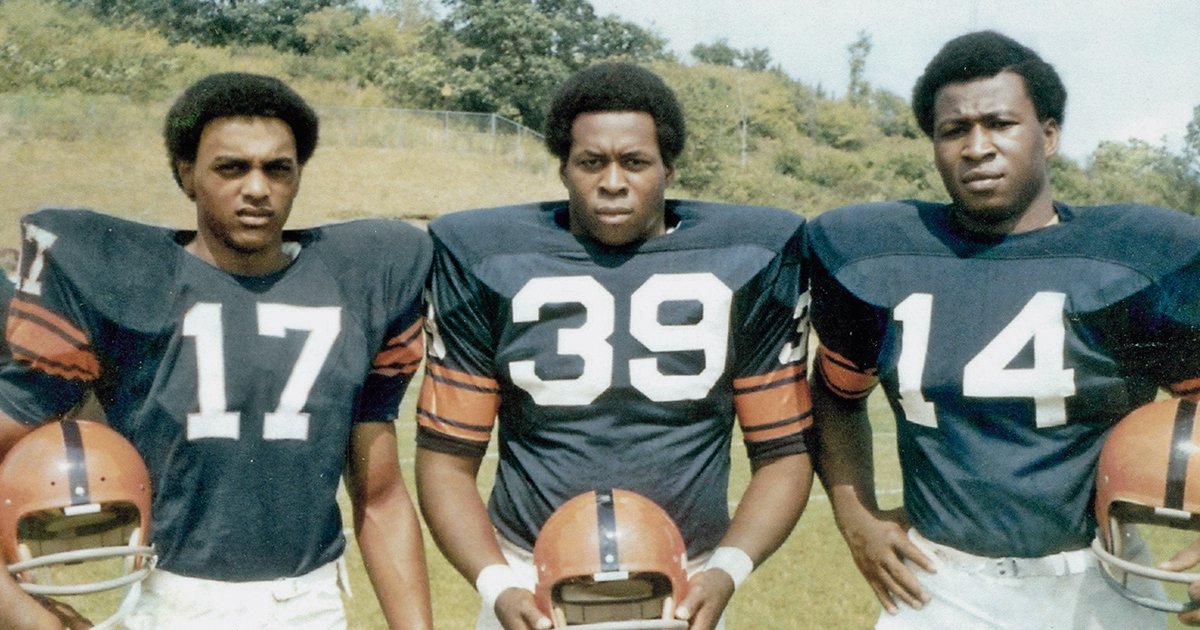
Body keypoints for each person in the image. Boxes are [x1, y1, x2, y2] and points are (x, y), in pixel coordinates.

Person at [0, 71, 434, 629]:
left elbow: (379, 494)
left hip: (311, 605)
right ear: (187, 175)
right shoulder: (127, 279)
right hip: (168, 601)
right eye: (232, 167)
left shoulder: (363, 278)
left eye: (278, 168)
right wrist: (25, 616)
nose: (257, 188)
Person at [806, 30, 1200, 629]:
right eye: (954, 130)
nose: (977, 147)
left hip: (1097, 577)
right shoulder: (879, 255)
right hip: (940, 582)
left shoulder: (1131, 260)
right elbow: (836, 395)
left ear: (1048, 134)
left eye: (1000, 123)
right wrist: (855, 517)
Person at [415, 61, 814, 630]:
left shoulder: (749, 258)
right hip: (526, 574)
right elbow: (448, 460)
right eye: (591, 162)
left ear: (669, 167)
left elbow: (782, 455)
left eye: (635, 162)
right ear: (563, 167)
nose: (612, 182)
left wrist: (725, 572)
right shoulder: (487, 258)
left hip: (688, 576)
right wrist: (498, 585)